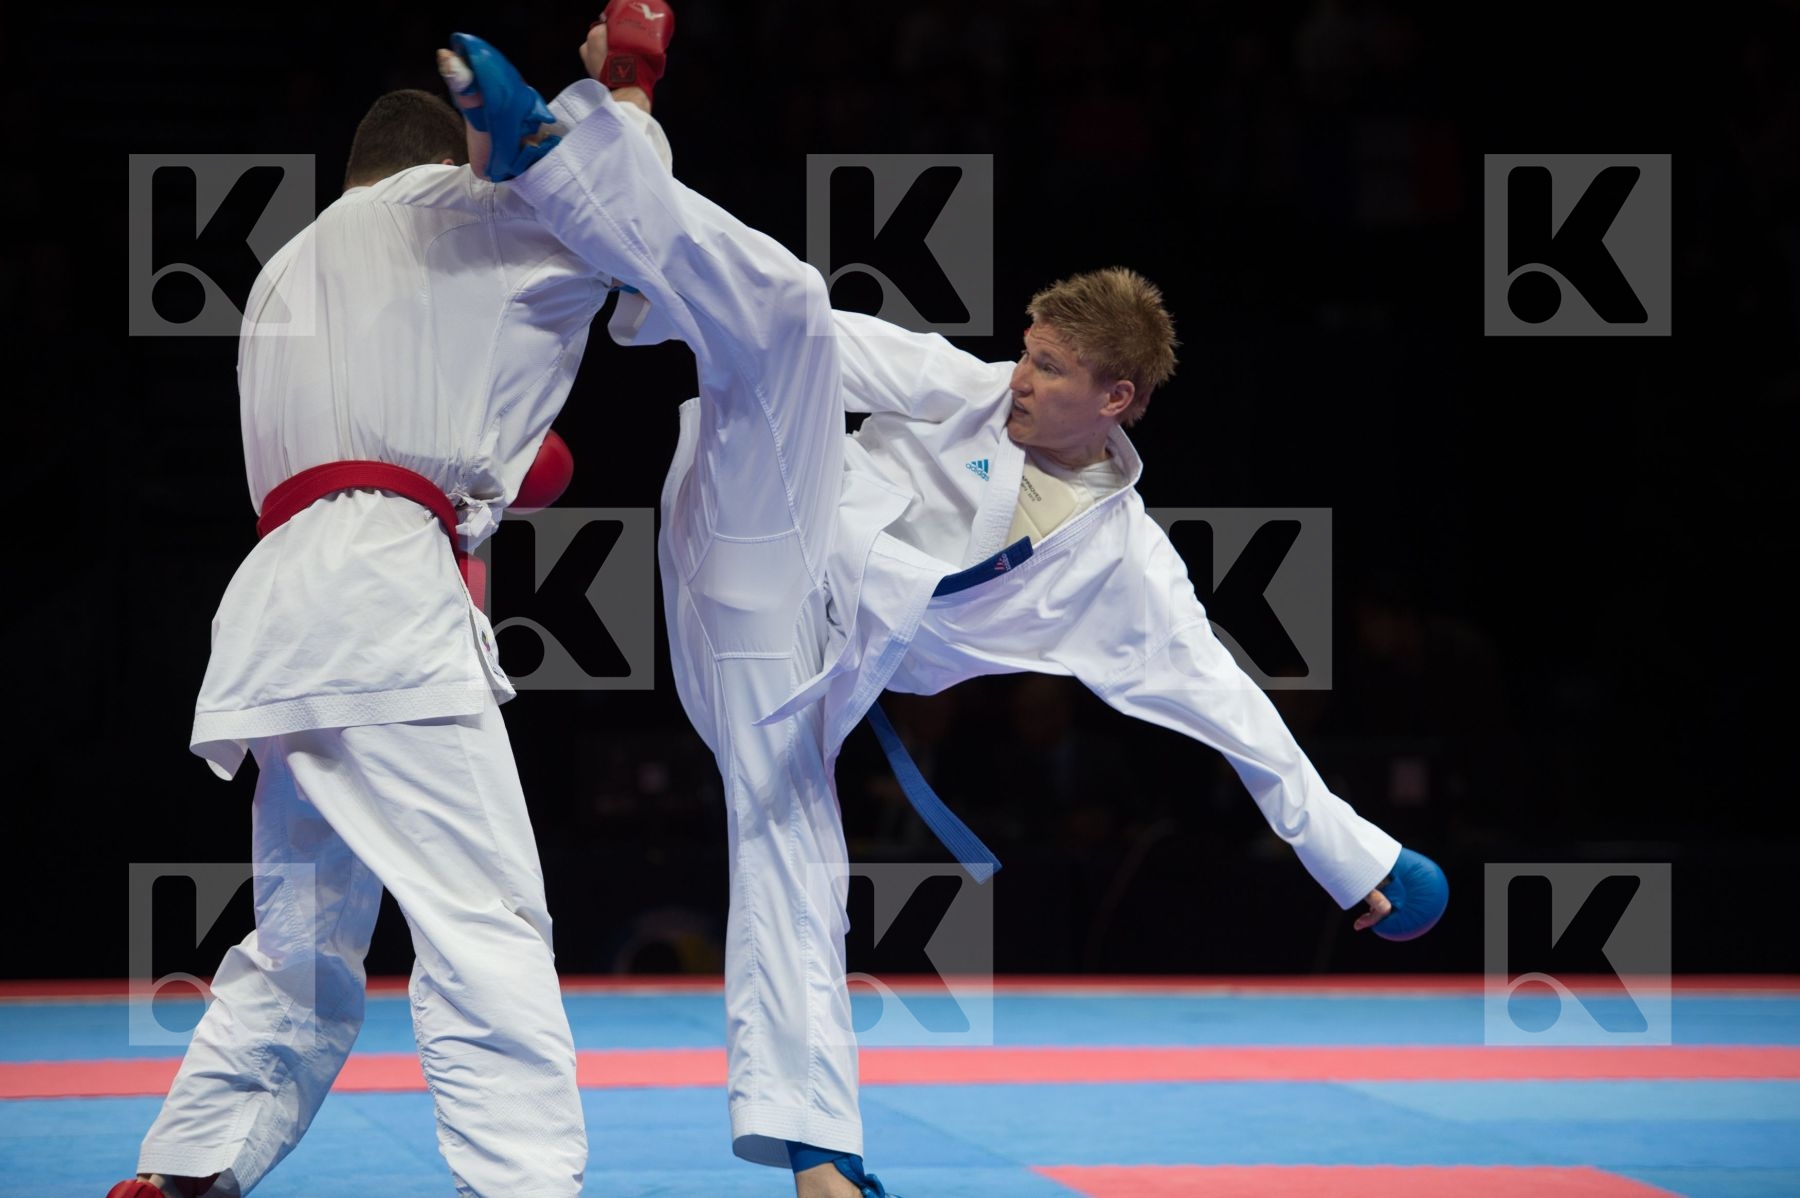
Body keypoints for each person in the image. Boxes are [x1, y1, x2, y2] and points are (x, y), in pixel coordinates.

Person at [452, 9, 1443, 1195]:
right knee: (783, 310)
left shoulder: (1126, 571)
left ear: (1116, 397)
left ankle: (818, 1153)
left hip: (794, 666)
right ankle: (573, 142)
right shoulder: (970, 391)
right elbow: (812, 335)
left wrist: (1360, 861)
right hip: (760, 535)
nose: (1017, 376)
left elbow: (1235, 713)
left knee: (794, 855)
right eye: (1024, 350)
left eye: (1048, 369)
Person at [107, 18, 681, 1196]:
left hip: (278, 614)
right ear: (431, 165)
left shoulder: (282, 273)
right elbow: (617, 205)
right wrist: (630, 80)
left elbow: (415, 404)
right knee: (483, 916)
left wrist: (506, 459)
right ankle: (523, 1180)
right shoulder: (443, 208)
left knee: (303, 943)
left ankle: (186, 1166)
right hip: (381, 600)